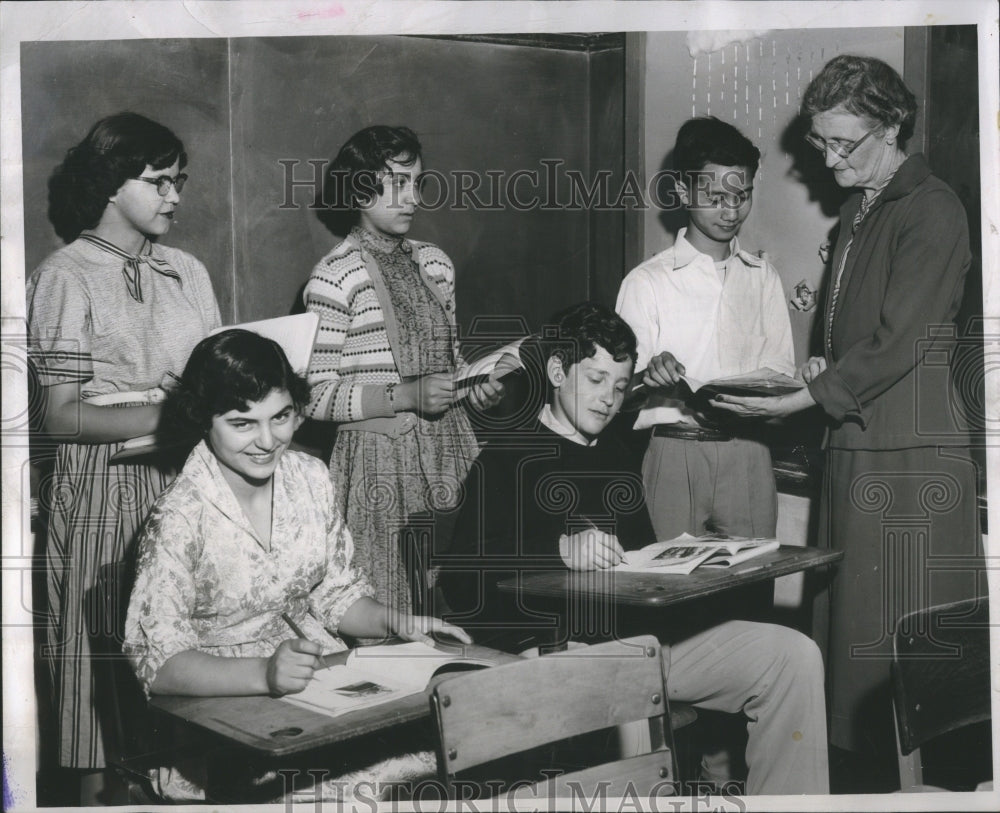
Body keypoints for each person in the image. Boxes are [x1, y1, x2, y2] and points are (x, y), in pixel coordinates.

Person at [712, 55, 982, 784]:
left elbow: (900, 339)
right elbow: (854, 339)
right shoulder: (863, 206)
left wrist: (811, 395)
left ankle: (944, 793)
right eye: (820, 141)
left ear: (893, 128)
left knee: (908, 660)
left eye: (843, 143)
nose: (827, 159)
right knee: (851, 654)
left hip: (908, 457)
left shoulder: (933, 207)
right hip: (855, 441)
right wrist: (816, 371)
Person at [437, 303, 829, 795]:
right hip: (557, 651)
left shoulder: (618, 453)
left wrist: (695, 562)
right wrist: (558, 550)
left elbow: (641, 562)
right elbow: (459, 574)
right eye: (596, 380)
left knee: (791, 654)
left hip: (641, 641)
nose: (608, 399)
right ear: (558, 371)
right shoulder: (508, 454)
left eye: (620, 387)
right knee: (627, 697)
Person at [123, 329, 471, 801]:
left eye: (281, 416)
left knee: (442, 760)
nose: (268, 440)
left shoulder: (310, 477)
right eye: (242, 423)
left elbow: (336, 594)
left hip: (322, 689)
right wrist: (264, 673)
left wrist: (394, 620)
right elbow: (159, 664)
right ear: (204, 419)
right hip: (221, 722)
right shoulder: (179, 515)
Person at [26, 112, 220, 797]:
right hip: (104, 489)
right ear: (112, 184)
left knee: (181, 654)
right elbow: (59, 413)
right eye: (159, 180)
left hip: (186, 482)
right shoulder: (65, 276)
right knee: (96, 672)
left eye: (180, 180)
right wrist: (173, 414)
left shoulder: (187, 273)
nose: (175, 195)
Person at [303, 125, 502, 614]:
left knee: (458, 602)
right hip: (377, 463)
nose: (411, 197)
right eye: (395, 182)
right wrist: (402, 396)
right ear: (358, 187)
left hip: (450, 450)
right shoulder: (335, 274)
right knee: (390, 606)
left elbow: (450, 364)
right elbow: (312, 396)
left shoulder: (435, 264)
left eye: (416, 182)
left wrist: (473, 389)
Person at [615, 116, 795, 542]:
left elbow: (779, 374)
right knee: (665, 587)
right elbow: (615, 393)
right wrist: (648, 375)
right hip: (673, 450)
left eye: (743, 196)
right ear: (681, 191)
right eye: (715, 197)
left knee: (751, 586)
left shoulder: (762, 277)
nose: (731, 211)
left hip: (749, 453)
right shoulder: (647, 282)